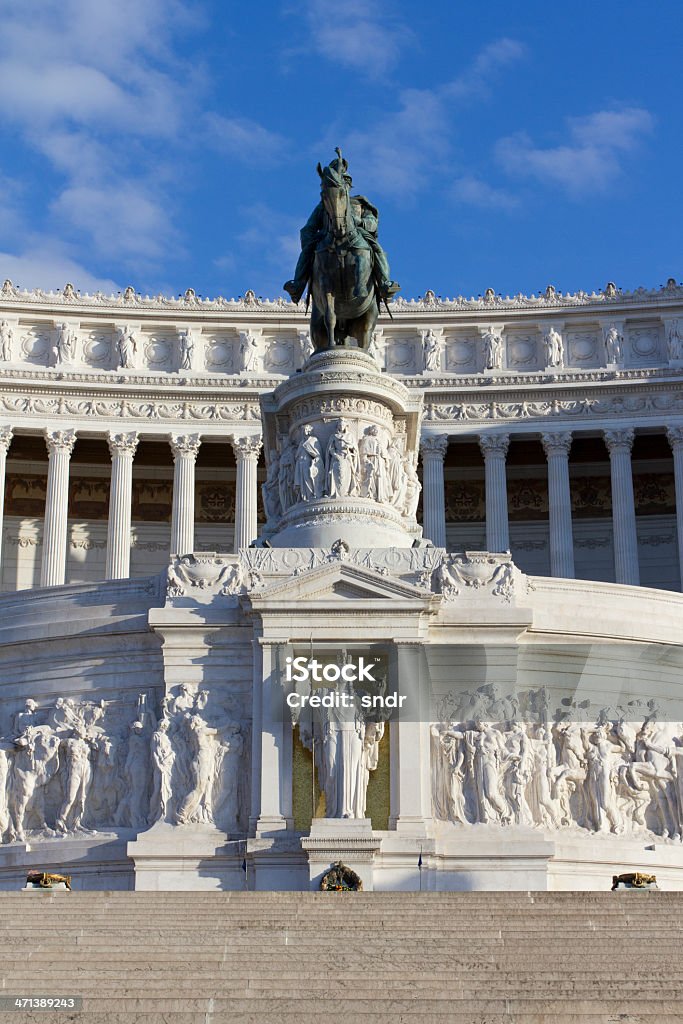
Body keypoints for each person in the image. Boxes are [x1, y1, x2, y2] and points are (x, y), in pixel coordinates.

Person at [284, 153, 399, 304]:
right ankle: (298, 285)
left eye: (345, 181)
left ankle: (384, 284)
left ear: (349, 186)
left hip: (357, 236)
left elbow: (372, 222)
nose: (343, 185)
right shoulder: (323, 206)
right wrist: (310, 243)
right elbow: (308, 229)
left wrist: (359, 222)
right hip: (327, 239)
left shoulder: (359, 203)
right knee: (307, 253)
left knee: (376, 249)